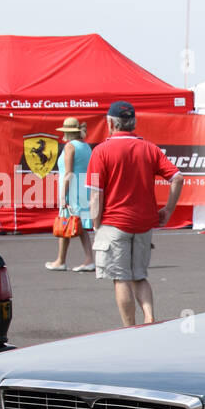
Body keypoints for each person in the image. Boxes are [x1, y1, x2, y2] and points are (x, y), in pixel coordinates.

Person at [86, 101, 184, 326]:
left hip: (113, 223)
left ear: (110, 123)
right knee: (139, 276)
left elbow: (95, 194)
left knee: (121, 278)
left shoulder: (100, 151)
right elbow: (177, 177)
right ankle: (149, 319)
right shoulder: (149, 148)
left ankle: (129, 328)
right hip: (143, 223)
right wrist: (168, 210)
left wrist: (96, 222)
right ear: (133, 123)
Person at [45, 117, 95, 271]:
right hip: (82, 188)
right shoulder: (85, 146)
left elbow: (68, 173)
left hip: (72, 190)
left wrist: (62, 196)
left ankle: (65, 260)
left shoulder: (70, 147)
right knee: (76, 224)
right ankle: (70, 259)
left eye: (64, 132)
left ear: (68, 133)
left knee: (68, 223)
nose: (63, 136)